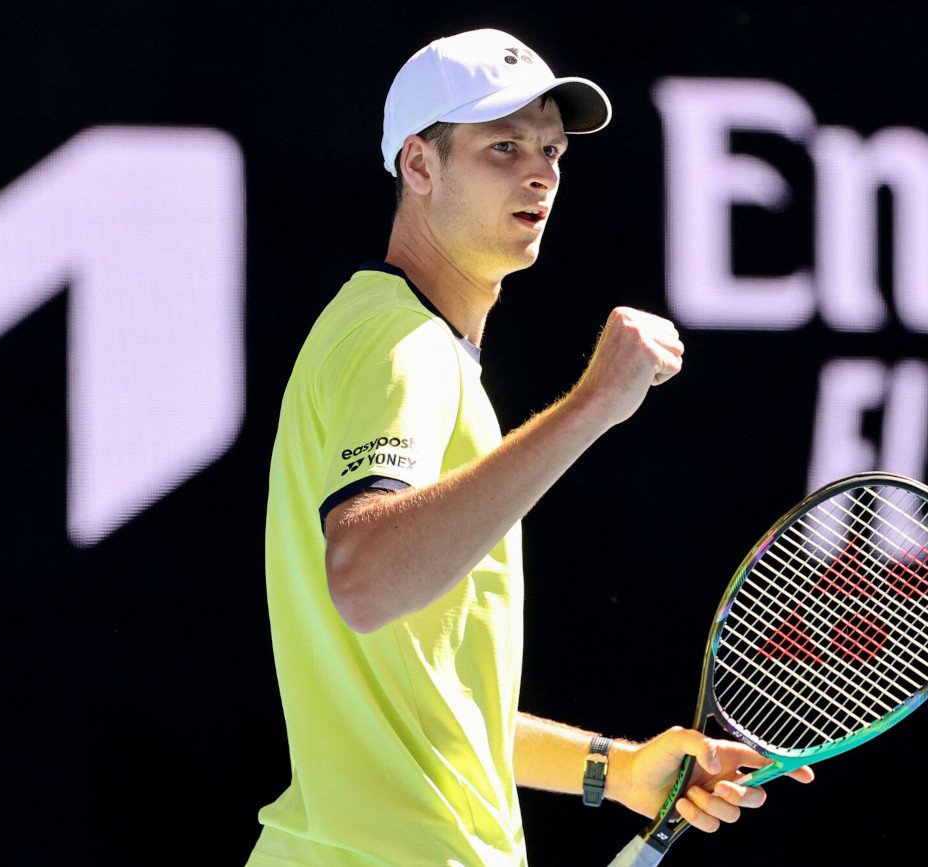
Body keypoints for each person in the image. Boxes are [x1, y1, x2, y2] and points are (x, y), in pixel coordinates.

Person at [248, 27, 813, 866]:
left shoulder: (391, 334)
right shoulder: (402, 345)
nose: (541, 172)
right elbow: (364, 579)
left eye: (551, 149)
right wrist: (592, 406)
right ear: (419, 164)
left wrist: (618, 768)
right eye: (503, 148)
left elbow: (428, 707)